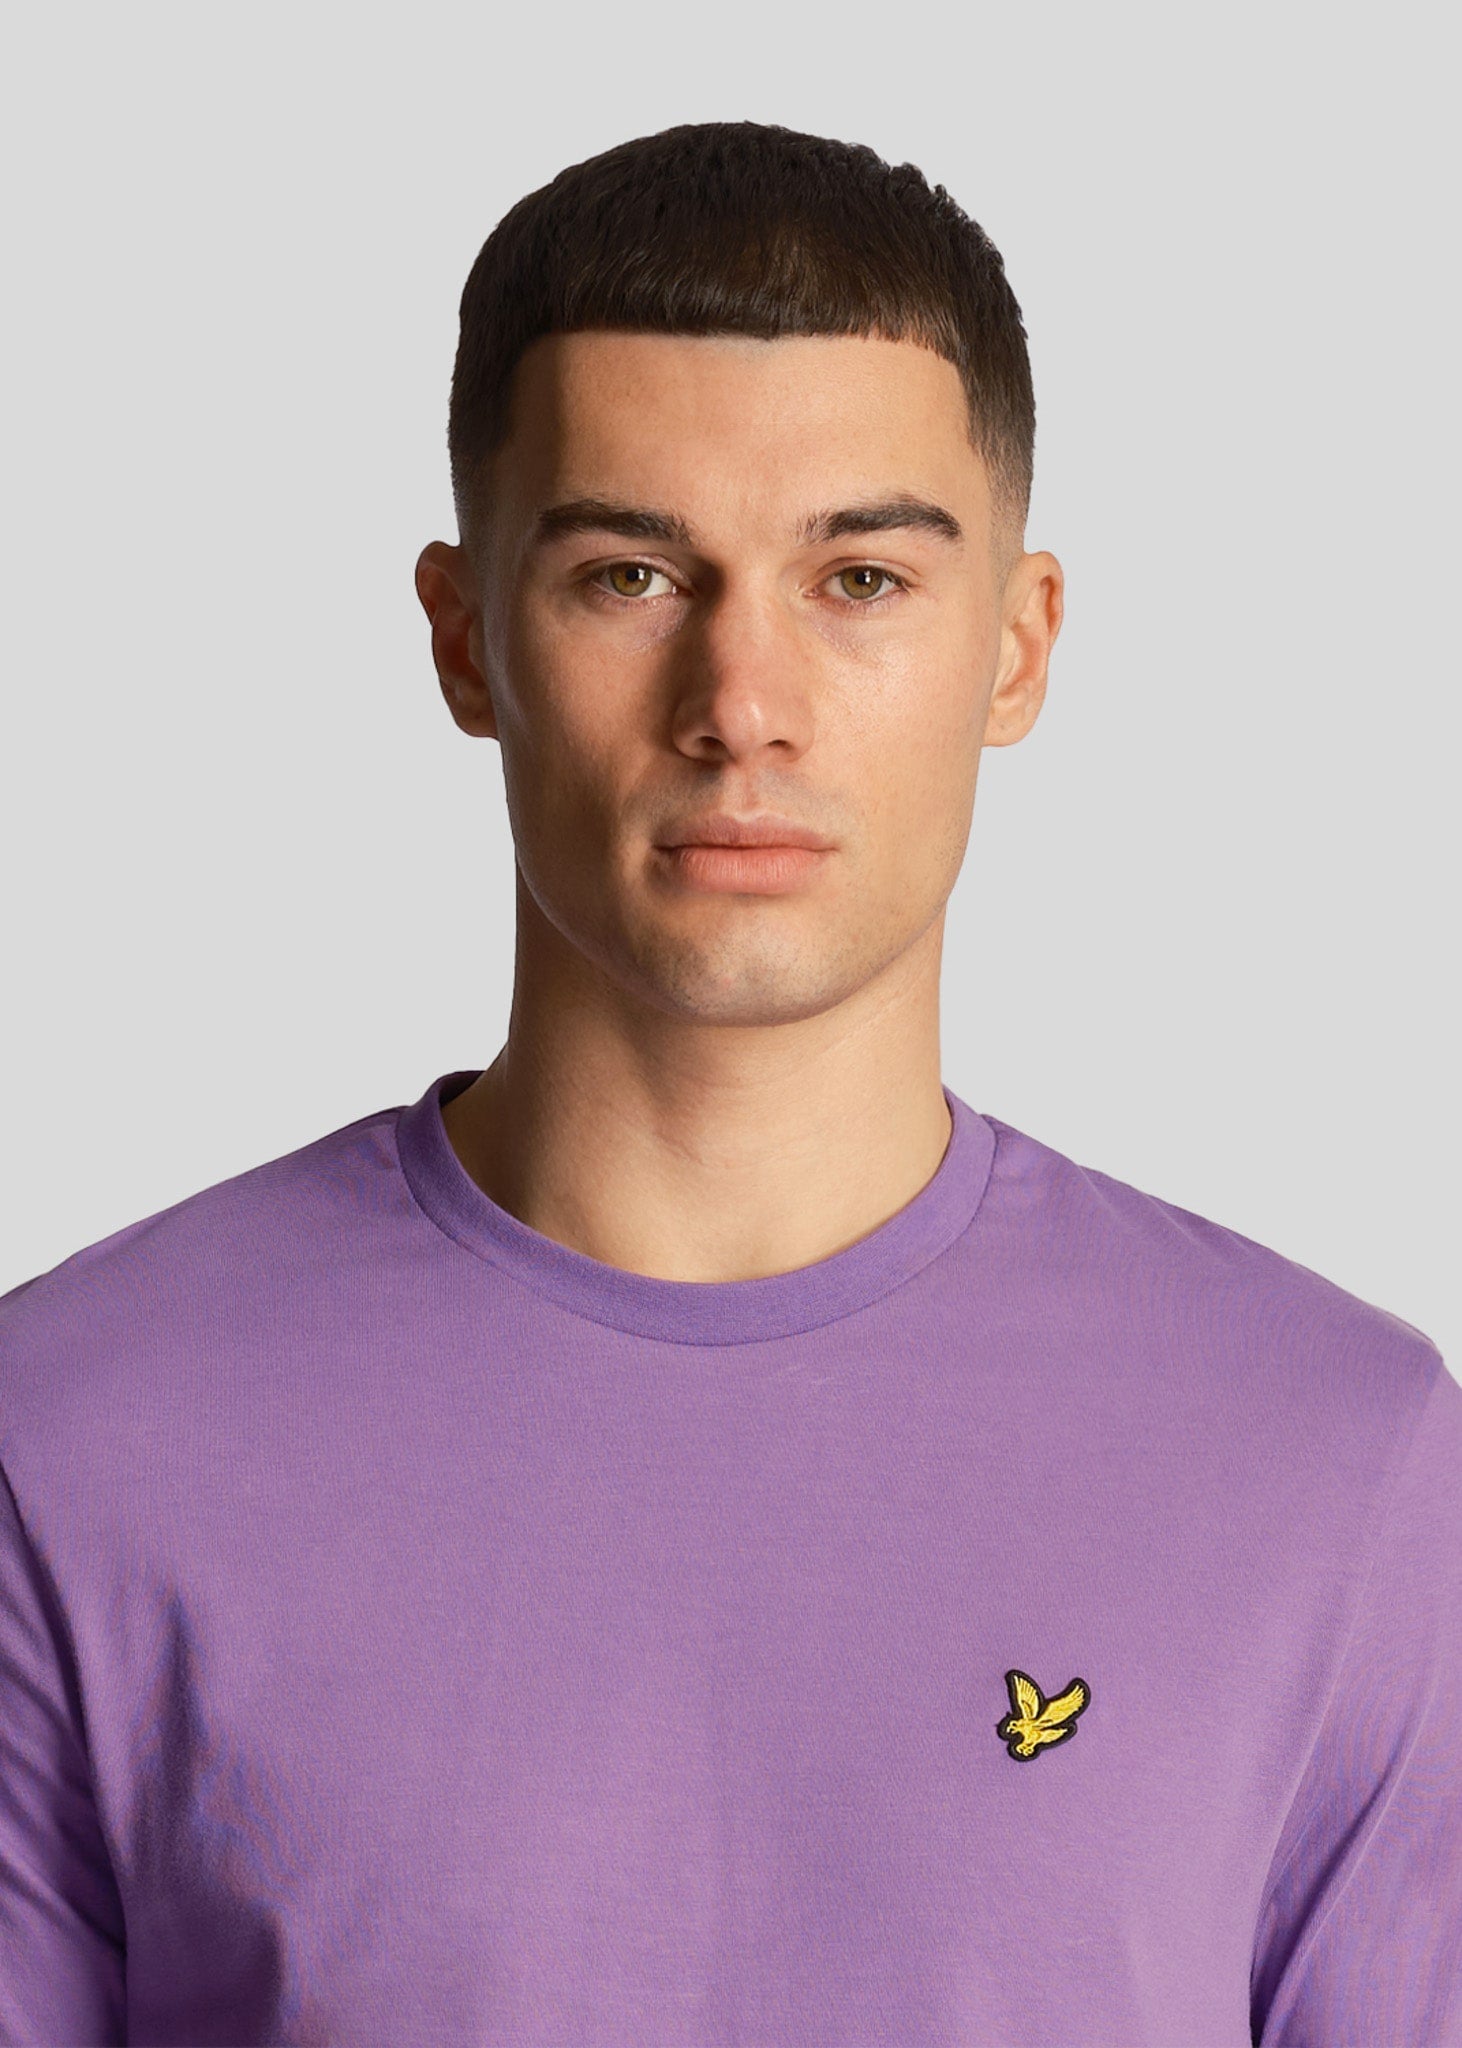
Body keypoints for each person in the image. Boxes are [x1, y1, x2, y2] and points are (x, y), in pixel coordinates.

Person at [1, 119, 1457, 2048]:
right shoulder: (75, 1437)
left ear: (1015, 648)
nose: (740, 704)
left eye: (858, 578)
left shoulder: (1336, 1461)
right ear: (464, 638)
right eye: (628, 574)